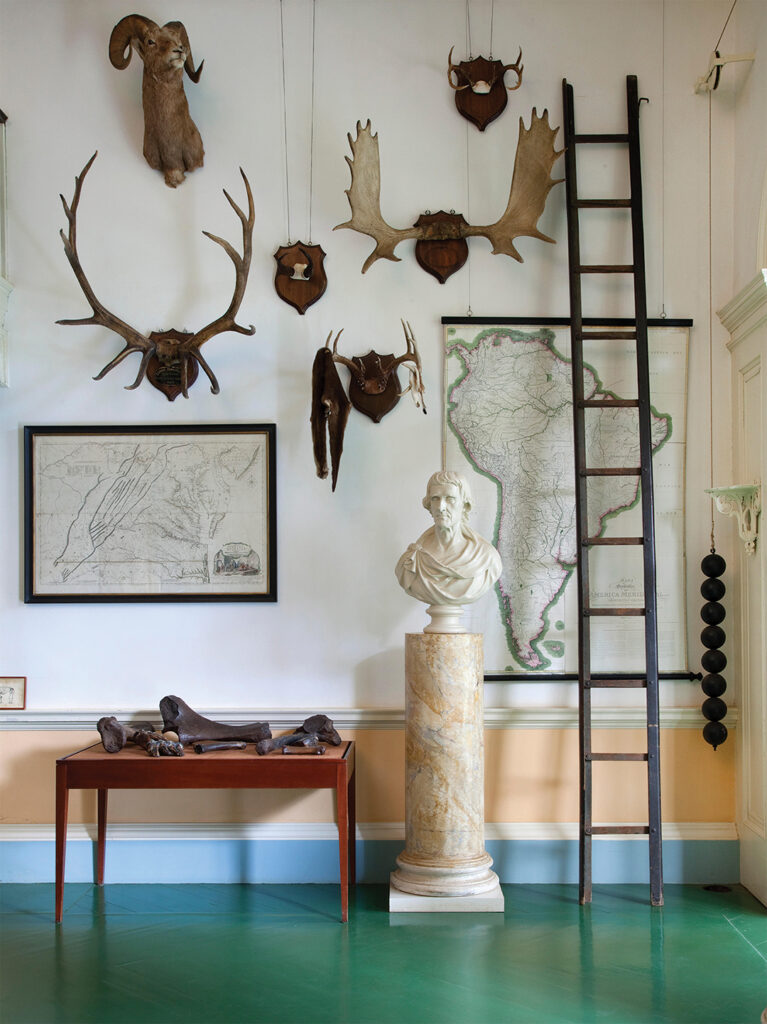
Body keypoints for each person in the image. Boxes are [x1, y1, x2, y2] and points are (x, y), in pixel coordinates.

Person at [395, 470, 502, 608]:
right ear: (429, 504)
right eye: (435, 498)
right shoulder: (412, 559)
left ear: (465, 504)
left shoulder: (486, 557)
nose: (441, 507)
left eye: (450, 499)